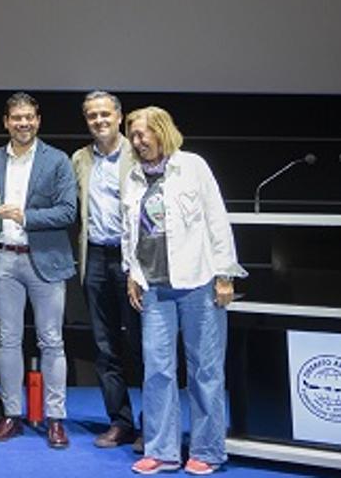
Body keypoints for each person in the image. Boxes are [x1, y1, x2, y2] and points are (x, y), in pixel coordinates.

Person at [122, 107, 246, 476]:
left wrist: (225, 274)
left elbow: (216, 219)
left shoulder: (193, 166)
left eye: (144, 134)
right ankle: (162, 451)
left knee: (205, 371)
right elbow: (131, 231)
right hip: (155, 286)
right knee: (157, 370)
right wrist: (132, 272)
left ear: (162, 133)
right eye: (134, 135)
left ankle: (207, 449)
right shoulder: (131, 177)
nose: (138, 141)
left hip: (198, 281)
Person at [0, 93, 76, 449]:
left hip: (46, 262)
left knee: (52, 341)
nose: (23, 123)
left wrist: (24, 216)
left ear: (38, 120)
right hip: (3, 260)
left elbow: (68, 211)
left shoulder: (58, 160)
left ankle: (55, 419)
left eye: (29, 118)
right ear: (6, 121)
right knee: (8, 340)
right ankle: (12, 415)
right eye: (16, 118)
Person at [70, 91, 142, 450]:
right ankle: (120, 422)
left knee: (144, 346)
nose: (99, 121)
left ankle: (153, 425)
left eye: (104, 114)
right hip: (95, 259)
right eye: (92, 116)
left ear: (118, 116)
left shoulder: (140, 152)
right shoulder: (80, 159)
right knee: (105, 346)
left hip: (134, 262)